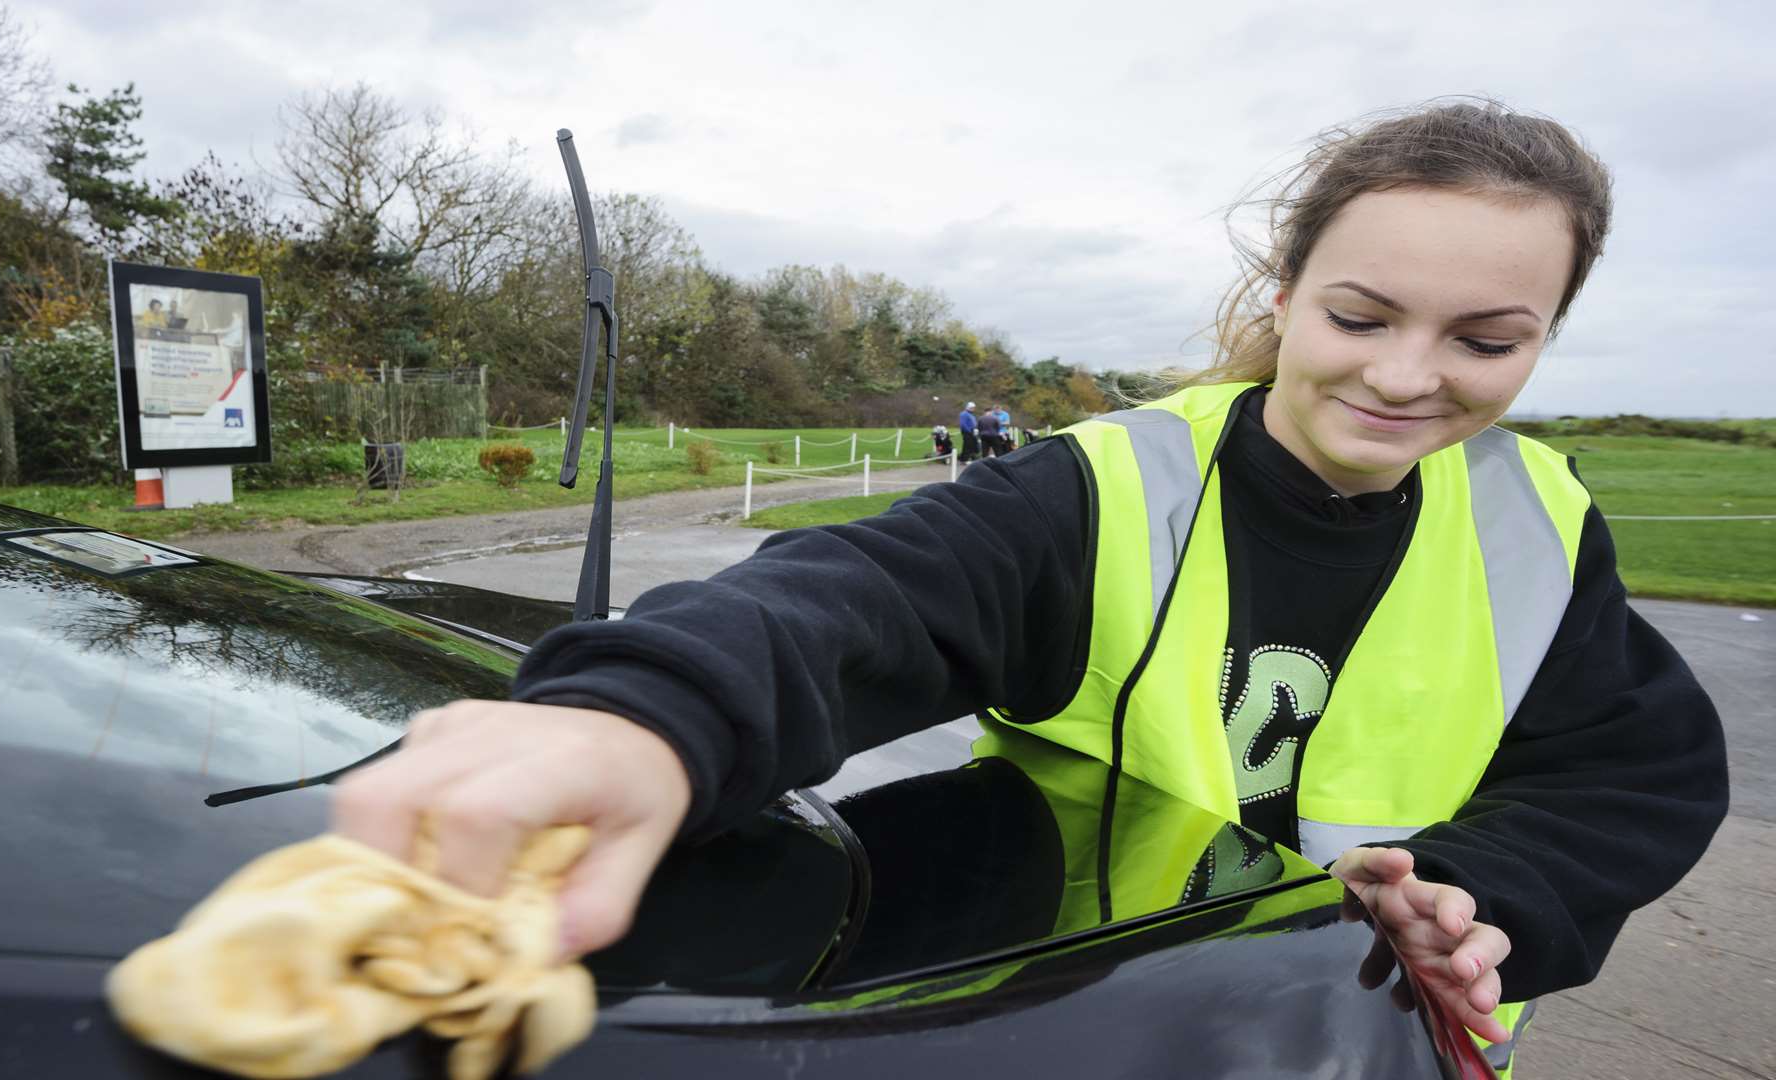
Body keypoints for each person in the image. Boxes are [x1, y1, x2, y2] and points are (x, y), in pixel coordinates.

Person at [332, 99, 1728, 1075]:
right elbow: (861, 592)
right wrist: (641, 719)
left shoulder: (1539, 518)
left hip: (1369, 1045)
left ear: (1549, 335)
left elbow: (1632, 772)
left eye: (1487, 339)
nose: (1411, 375)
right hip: (1096, 1038)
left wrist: (1481, 891)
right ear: (1289, 288)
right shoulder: (1114, 481)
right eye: (1362, 317)